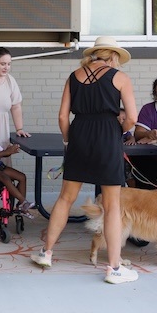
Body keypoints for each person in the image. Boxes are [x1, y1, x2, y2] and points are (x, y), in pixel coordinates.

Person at [32, 36, 139, 284]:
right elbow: (132, 117)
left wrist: (69, 142)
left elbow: (62, 117)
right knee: (113, 206)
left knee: (65, 198)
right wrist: (120, 132)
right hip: (107, 137)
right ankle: (114, 268)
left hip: (79, 134)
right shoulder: (120, 78)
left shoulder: (74, 76)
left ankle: (46, 253)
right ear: (113, 56)